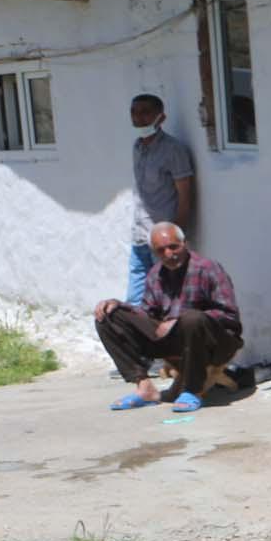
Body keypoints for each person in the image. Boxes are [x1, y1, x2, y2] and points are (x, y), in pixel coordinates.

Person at [96, 221, 243, 412]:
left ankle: (193, 390)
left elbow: (229, 315)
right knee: (108, 316)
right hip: (176, 341)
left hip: (214, 342)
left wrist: (178, 321)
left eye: (173, 247)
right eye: (161, 250)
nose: (169, 254)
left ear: (185, 244)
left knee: (192, 320)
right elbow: (147, 313)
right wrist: (118, 305)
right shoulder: (155, 273)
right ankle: (144, 388)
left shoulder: (208, 268)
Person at [126, 95, 195, 306]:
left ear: (161, 117)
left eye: (146, 112)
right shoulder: (138, 147)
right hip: (139, 236)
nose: (139, 118)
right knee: (135, 301)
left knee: (166, 299)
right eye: (134, 112)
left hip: (164, 241)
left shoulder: (173, 150)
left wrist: (177, 235)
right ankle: (136, 338)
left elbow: (185, 193)